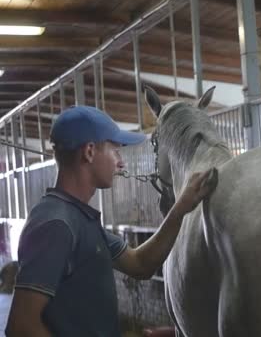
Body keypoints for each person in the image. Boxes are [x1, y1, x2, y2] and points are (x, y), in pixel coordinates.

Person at [5, 106, 217, 336]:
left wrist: (180, 209)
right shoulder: (54, 224)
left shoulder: (79, 218)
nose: (121, 162)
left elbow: (140, 264)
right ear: (89, 152)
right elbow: (21, 326)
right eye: (115, 150)